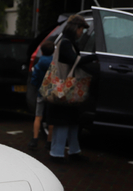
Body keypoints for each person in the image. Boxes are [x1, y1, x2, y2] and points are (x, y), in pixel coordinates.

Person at [48, 15, 96, 162]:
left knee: (72, 121)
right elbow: (74, 60)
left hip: (64, 88)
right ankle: (57, 154)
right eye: (81, 29)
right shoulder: (66, 44)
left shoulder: (66, 42)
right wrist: (94, 57)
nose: (82, 33)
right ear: (76, 28)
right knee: (64, 121)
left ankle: (72, 151)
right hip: (65, 89)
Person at [28, 39, 55, 150]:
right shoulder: (54, 63)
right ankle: (49, 141)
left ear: (42, 52)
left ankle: (35, 139)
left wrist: (36, 85)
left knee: (38, 116)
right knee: (51, 119)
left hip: (40, 92)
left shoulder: (39, 63)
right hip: (52, 94)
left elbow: (34, 79)